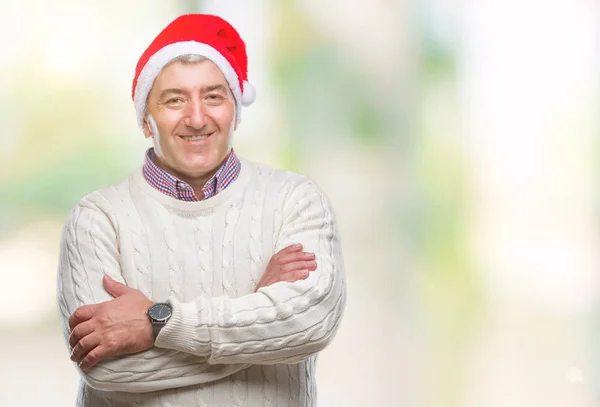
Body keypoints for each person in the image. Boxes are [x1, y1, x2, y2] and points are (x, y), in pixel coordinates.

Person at [56, 13, 346, 407]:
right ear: (145, 119)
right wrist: (260, 317)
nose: (196, 118)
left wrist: (158, 322)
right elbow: (107, 370)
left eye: (213, 96)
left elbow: (311, 324)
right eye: (174, 100)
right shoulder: (96, 219)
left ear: (235, 110)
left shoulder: (295, 200)